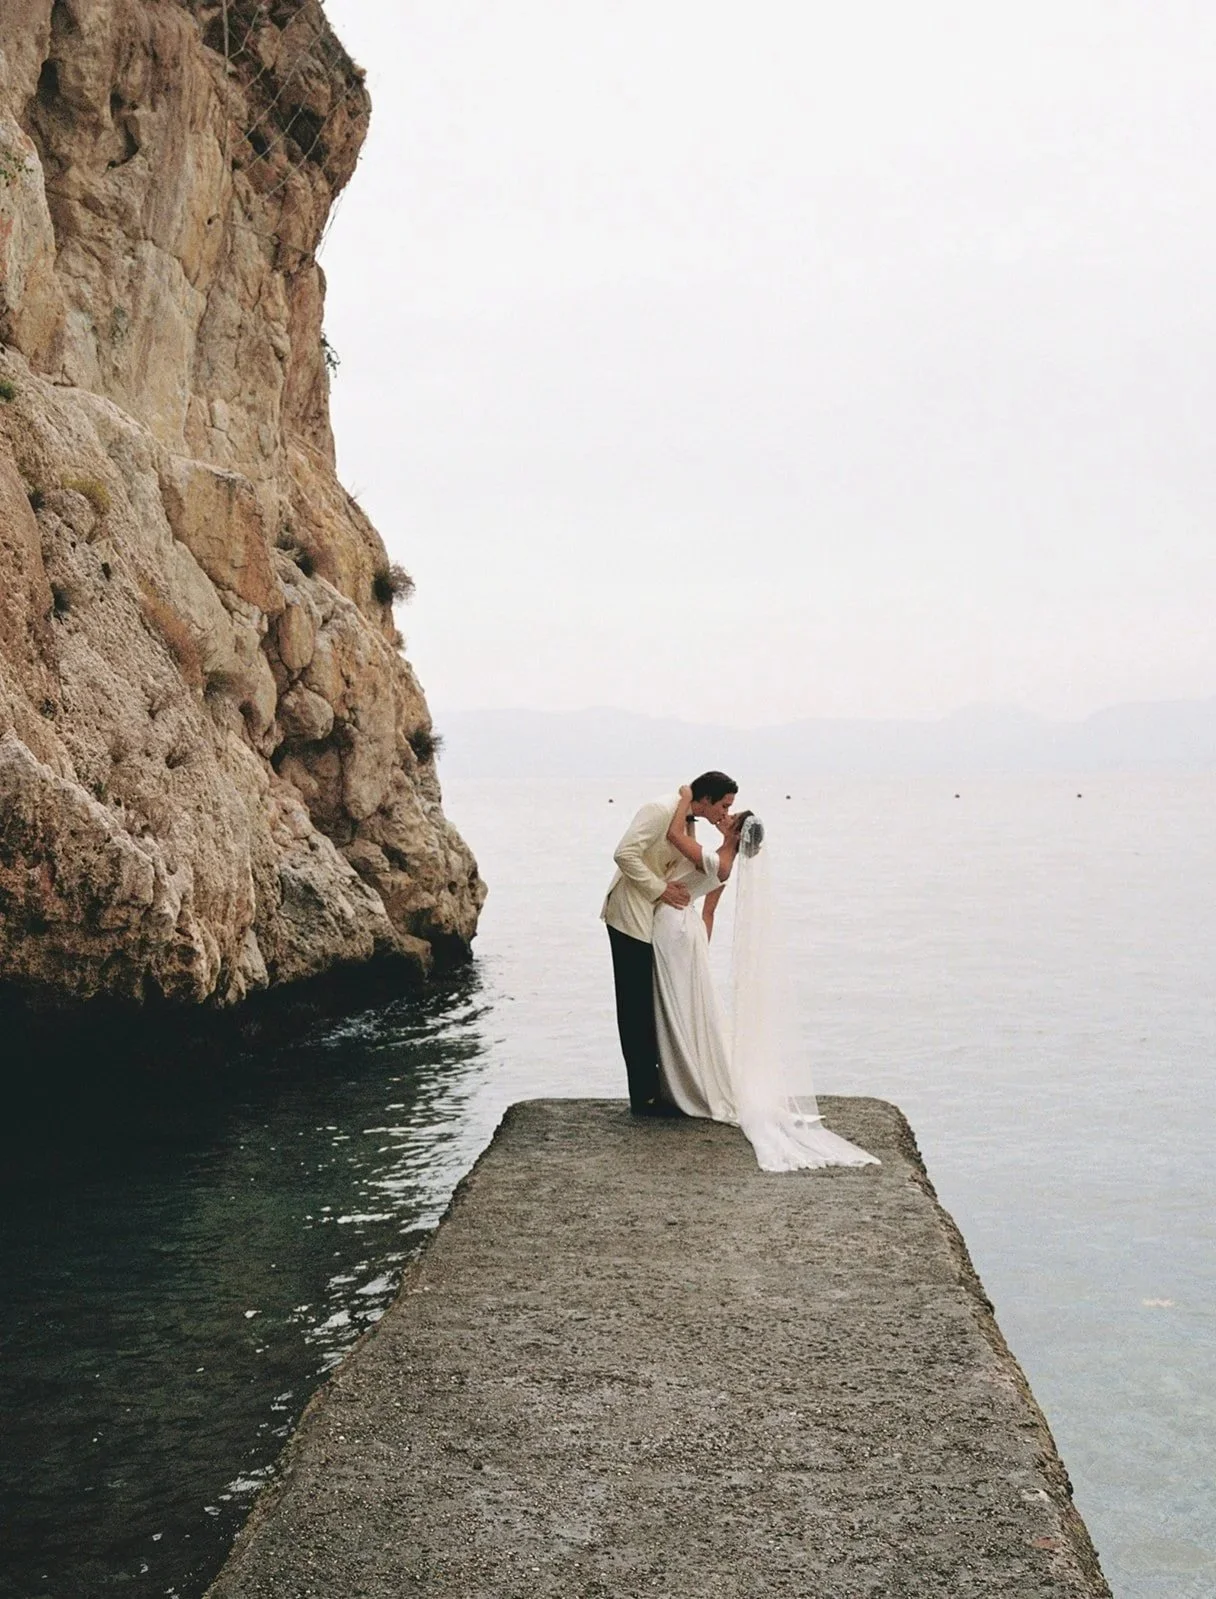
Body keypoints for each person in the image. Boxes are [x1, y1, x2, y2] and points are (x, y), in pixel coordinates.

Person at [655, 786, 880, 1172]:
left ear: (737, 834)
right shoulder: (722, 864)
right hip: (688, 936)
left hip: (676, 931)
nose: (726, 815)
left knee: (680, 1012)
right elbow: (706, 912)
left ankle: (685, 1084)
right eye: (726, 808)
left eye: (732, 815)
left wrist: (685, 796)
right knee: (696, 1014)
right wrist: (700, 955)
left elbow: (676, 838)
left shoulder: (717, 861)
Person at [601, 772, 738, 1115]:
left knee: (654, 1007)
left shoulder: (688, 824)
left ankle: (662, 1087)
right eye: (723, 805)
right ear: (704, 799)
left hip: (658, 922)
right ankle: (643, 1097)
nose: (725, 813)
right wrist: (659, 889)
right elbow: (624, 854)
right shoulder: (661, 810)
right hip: (631, 914)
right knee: (634, 1009)